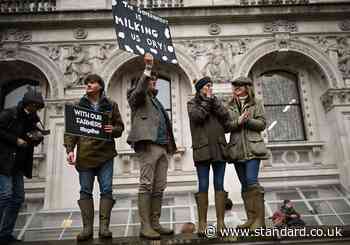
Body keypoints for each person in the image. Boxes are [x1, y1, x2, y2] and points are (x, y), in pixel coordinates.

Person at [64, 74, 124, 241]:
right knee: (85, 191)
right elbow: (70, 131)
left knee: (106, 189)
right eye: (87, 83)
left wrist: (114, 129)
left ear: (100, 86)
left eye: (92, 82)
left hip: (106, 154)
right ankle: (87, 229)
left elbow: (120, 127)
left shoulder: (111, 105)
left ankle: (104, 227)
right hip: (85, 155)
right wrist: (70, 149)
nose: (88, 85)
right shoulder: (77, 105)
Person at [127, 53, 177, 239]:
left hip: (163, 147)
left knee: (159, 186)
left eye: (155, 80)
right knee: (146, 185)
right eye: (151, 80)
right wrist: (146, 69)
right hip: (149, 146)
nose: (154, 82)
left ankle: (155, 223)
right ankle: (145, 226)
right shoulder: (136, 96)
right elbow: (138, 91)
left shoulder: (156, 101)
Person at [187, 77, 233, 236]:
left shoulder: (216, 102)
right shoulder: (192, 103)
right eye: (207, 86)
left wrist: (214, 102)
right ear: (200, 88)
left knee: (219, 184)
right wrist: (207, 101)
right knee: (203, 185)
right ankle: (202, 224)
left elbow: (226, 118)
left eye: (211, 86)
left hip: (219, 149)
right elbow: (197, 117)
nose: (210, 88)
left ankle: (221, 223)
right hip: (202, 150)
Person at [0, 90, 45, 244]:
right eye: (36, 106)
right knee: (5, 195)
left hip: (18, 164)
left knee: (18, 198)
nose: (37, 109)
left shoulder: (32, 119)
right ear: (29, 104)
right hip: (3, 162)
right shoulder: (9, 113)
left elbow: (30, 138)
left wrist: (37, 138)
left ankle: (5, 234)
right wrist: (15, 140)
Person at [226, 76, 269, 231]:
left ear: (247, 87)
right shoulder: (230, 105)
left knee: (252, 182)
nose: (236, 87)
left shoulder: (256, 103)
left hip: (253, 149)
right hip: (237, 150)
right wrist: (238, 121)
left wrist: (248, 120)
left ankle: (259, 221)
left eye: (239, 85)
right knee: (244, 185)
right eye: (234, 85)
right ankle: (251, 219)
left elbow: (262, 124)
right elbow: (226, 126)